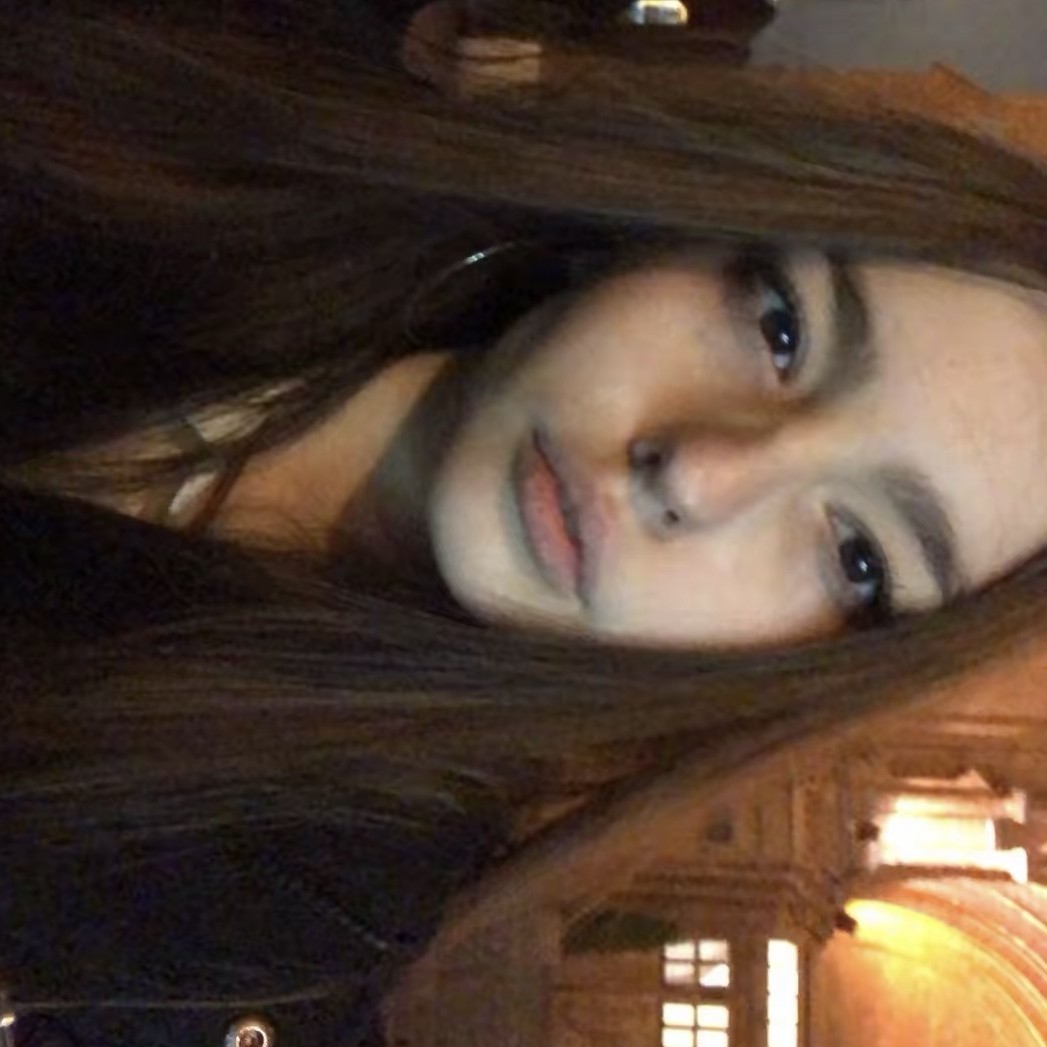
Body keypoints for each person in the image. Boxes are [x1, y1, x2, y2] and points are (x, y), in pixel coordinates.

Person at [2, 2, 1047, 1044]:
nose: (697, 474)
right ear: (688, 227)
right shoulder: (227, 77)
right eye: (781, 328)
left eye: (857, 558)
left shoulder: (257, 929)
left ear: (818, 668)